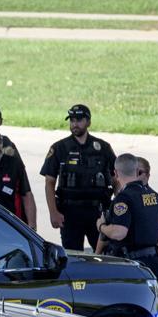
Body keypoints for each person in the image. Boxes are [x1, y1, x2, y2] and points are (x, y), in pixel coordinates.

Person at [41, 104, 116, 251]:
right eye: (72, 120)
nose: (75, 124)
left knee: (104, 256)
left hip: (98, 211)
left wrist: (116, 207)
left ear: (88, 122)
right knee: (72, 256)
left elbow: (116, 178)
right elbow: (49, 182)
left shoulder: (103, 147)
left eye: (79, 120)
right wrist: (53, 212)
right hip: (70, 212)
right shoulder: (59, 148)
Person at [96, 153, 158, 277]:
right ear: (137, 171)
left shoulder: (123, 198)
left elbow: (118, 233)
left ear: (116, 173)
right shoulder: (153, 196)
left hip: (130, 265)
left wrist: (101, 226)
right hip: (151, 262)